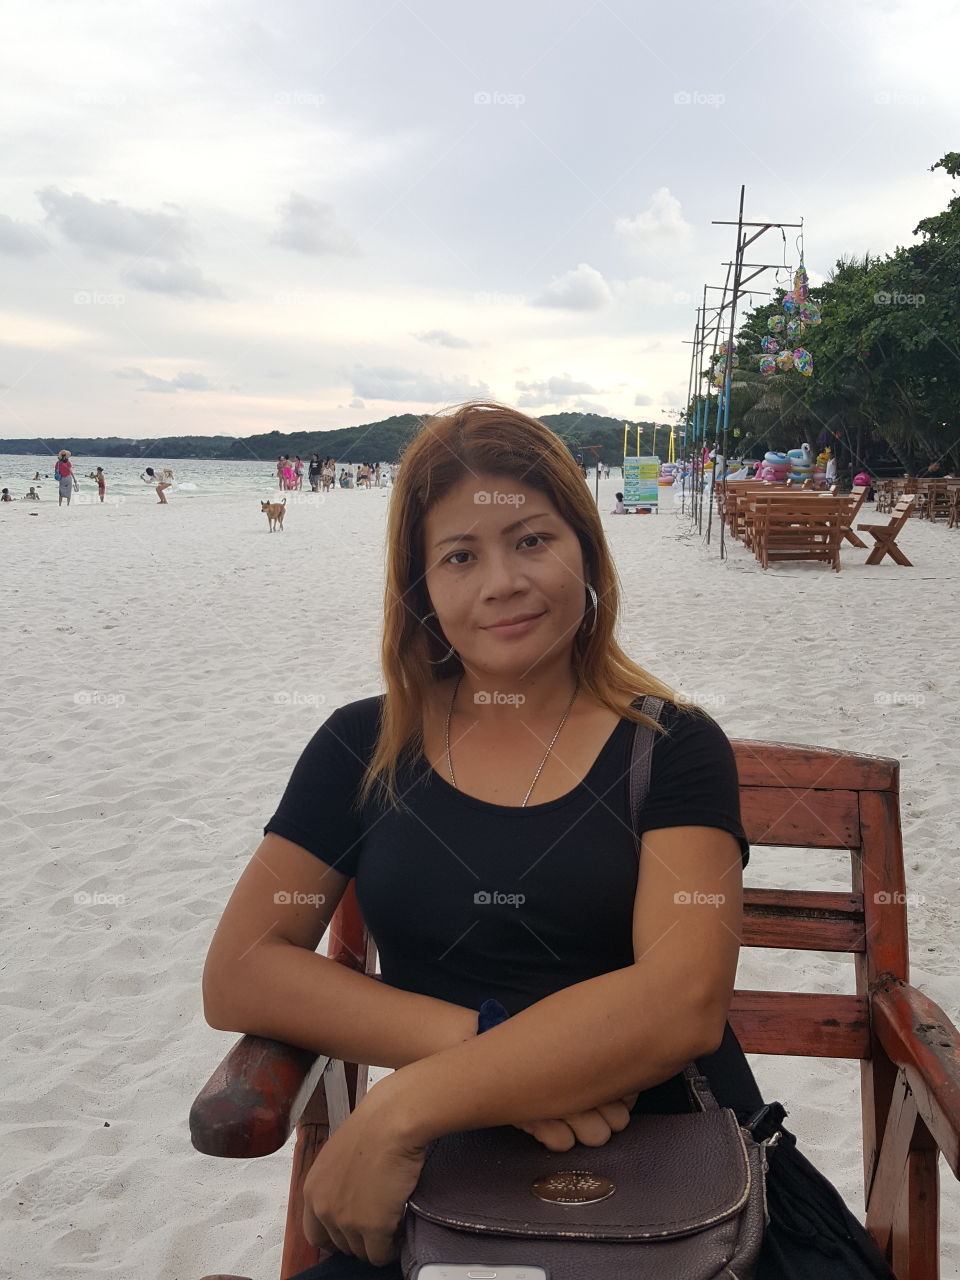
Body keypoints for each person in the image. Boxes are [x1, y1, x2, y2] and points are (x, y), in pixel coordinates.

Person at [202, 401, 896, 1280]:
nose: (502, 581)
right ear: (420, 589)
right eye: (461, 556)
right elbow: (241, 969)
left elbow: (681, 1002)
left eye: (532, 540)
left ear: (586, 552)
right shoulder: (360, 750)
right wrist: (488, 1048)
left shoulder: (673, 749)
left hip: (694, 1191)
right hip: (448, 1189)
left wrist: (396, 1108)